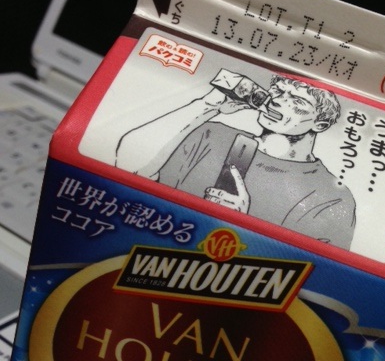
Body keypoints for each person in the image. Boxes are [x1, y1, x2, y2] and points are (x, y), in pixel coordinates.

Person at [115, 73, 356, 250]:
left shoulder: (333, 197)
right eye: (277, 92)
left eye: (297, 101)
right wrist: (207, 105)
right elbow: (127, 163)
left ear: (320, 124)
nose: (277, 101)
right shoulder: (211, 134)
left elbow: (312, 277)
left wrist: (241, 225)